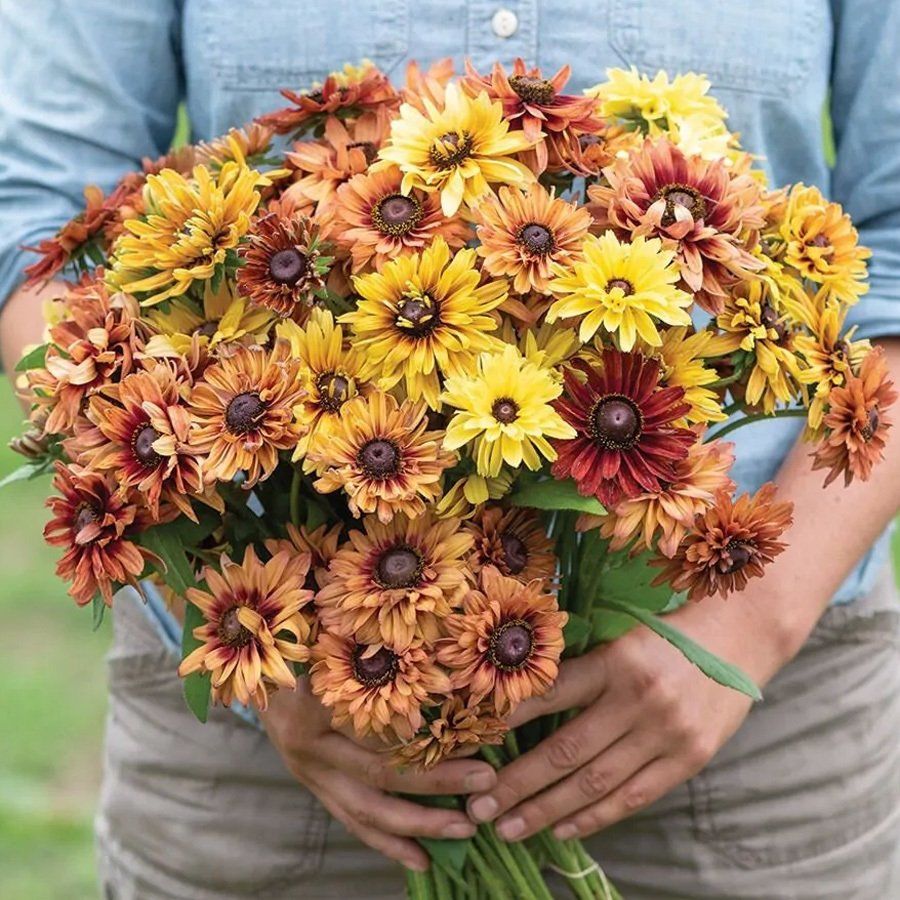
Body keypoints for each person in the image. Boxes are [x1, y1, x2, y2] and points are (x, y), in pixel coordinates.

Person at [2, 2, 899, 897]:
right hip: (271, 757)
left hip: (757, 734)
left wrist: (748, 626)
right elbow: (37, 217)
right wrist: (258, 637)